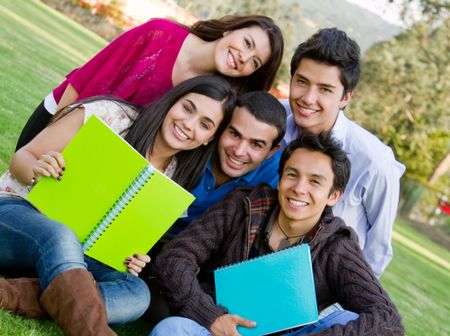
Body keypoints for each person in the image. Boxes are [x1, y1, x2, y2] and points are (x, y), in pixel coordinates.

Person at [0, 75, 235, 335]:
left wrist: (133, 258)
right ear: (172, 102)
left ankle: (13, 294)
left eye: (205, 124)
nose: (188, 124)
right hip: (18, 214)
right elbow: (21, 158)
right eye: (187, 108)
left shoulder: (176, 176)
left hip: (77, 254)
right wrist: (37, 167)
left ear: (208, 139)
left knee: (137, 294)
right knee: (60, 234)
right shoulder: (110, 115)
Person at [149, 133, 404, 336]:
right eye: (292, 175)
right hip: (219, 327)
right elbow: (175, 258)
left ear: (334, 195)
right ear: (280, 180)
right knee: (170, 329)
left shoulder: (336, 246)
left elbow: (388, 320)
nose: (299, 188)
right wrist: (211, 316)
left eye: (315, 182)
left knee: (350, 321)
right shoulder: (243, 205)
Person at [15, 15, 284, 149]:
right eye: (247, 43)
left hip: (101, 152)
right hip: (61, 117)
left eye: (254, 62)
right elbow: (88, 78)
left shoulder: (210, 96)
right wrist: (52, 136)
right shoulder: (159, 33)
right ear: (230, 30)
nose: (243, 58)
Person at [281, 28, 405, 277]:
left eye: (325, 89)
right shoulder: (272, 121)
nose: (308, 98)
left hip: (328, 293)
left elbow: (377, 251)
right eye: (302, 82)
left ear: (345, 97)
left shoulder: (375, 161)